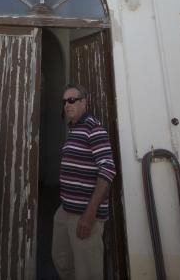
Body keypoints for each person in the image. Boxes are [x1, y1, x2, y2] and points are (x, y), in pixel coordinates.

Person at [51, 83, 115, 280]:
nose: (67, 104)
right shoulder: (74, 130)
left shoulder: (93, 128)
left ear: (84, 103)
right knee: (61, 259)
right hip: (66, 210)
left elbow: (108, 169)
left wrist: (89, 214)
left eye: (72, 100)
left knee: (87, 272)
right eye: (64, 101)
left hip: (85, 215)